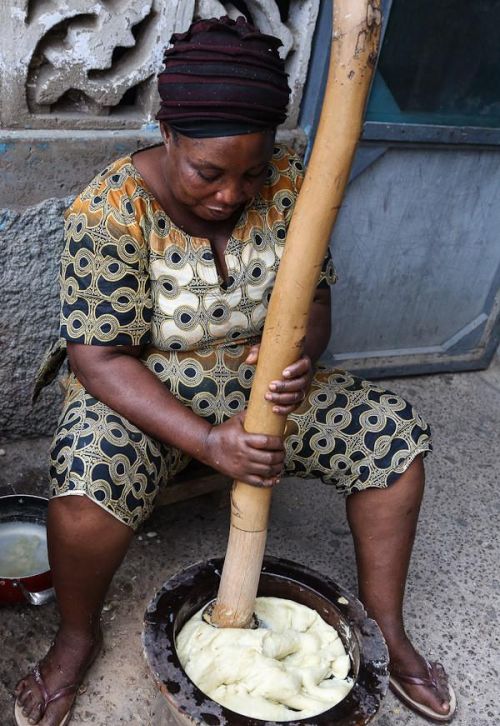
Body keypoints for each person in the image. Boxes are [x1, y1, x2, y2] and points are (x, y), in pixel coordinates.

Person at [15, 16, 455, 726]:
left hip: (267, 385)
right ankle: (74, 638)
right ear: (169, 135)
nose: (232, 194)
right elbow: (98, 361)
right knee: (89, 478)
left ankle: (389, 634)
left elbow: (315, 302)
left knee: (392, 440)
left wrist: (302, 354)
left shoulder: (289, 187)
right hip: (146, 393)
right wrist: (207, 442)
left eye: (251, 171)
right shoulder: (111, 208)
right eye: (209, 172)